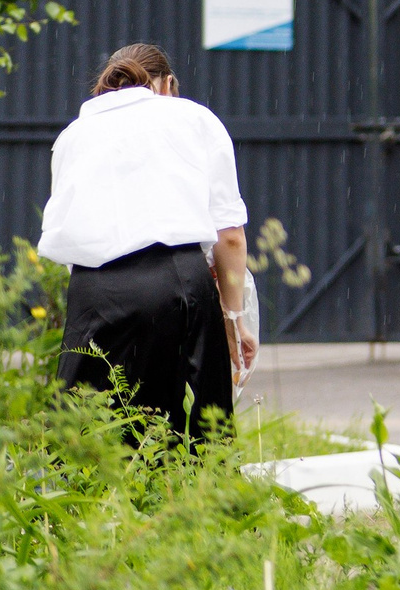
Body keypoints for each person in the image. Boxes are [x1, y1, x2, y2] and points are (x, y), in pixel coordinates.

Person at [38, 42, 253, 441]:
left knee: (83, 429)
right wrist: (233, 319)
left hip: (94, 287)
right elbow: (230, 236)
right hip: (180, 277)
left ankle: (97, 501)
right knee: (208, 428)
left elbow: (70, 225)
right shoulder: (194, 119)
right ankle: (207, 499)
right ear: (169, 84)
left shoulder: (73, 135)